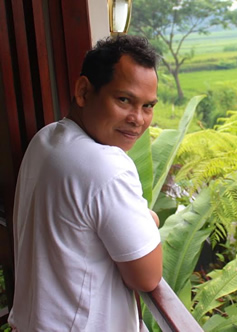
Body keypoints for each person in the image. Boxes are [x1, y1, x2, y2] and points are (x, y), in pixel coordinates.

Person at [8, 35, 162, 331]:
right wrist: (149, 219)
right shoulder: (107, 166)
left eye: (148, 106)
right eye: (124, 100)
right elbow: (147, 275)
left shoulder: (46, 139)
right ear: (83, 91)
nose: (138, 119)